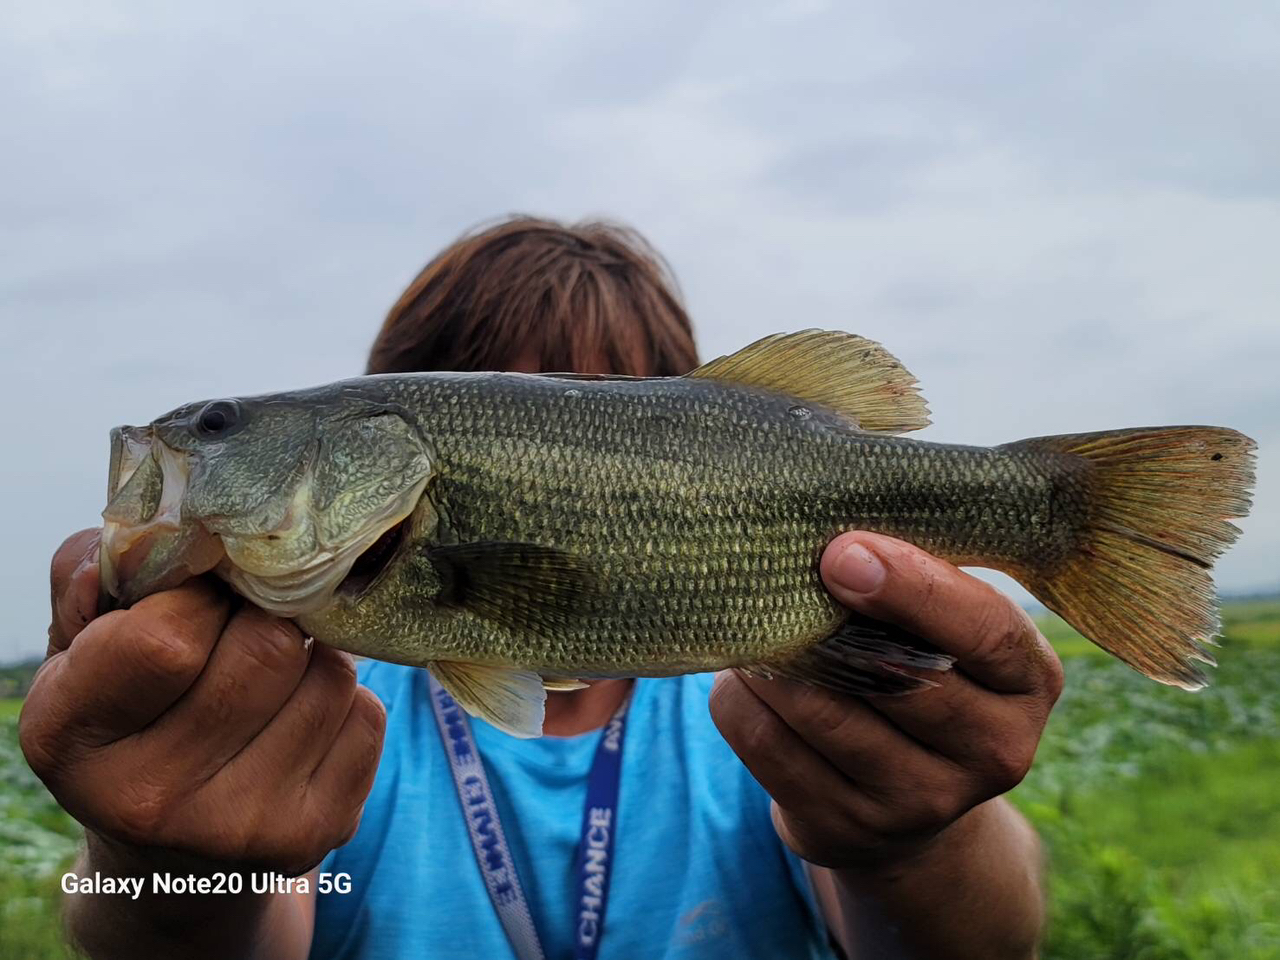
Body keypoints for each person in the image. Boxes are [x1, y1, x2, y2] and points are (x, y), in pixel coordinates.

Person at [25, 216, 1061, 959]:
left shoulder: (775, 714)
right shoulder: (313, 709)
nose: (193, 447)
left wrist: (919, 837)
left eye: (215, 432)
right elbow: (238, 925)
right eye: (491, 390)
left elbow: (985, 937)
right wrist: (161, 874)